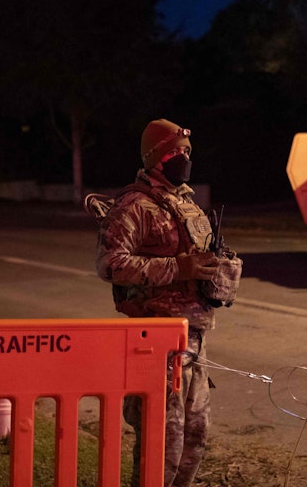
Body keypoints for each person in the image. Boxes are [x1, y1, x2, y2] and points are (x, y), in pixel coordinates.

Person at [93, 118, 240, 487]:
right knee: (162, 445)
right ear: (155, 157)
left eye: (188, 151)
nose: (184, 157)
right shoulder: (134, 205)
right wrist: (179, 267)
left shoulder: (186, 203)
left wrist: (220, 267)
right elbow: (110, 264)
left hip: (195, 340)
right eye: (176, 151)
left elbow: (200, 257)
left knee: (194, 438)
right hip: (156, 344)